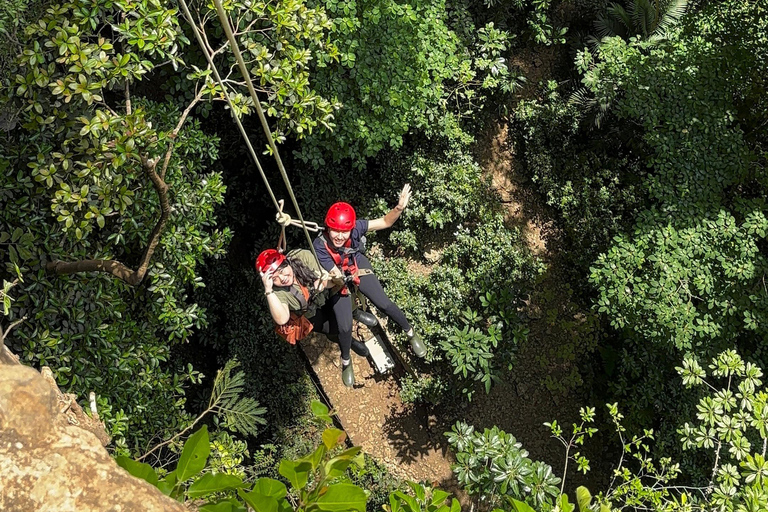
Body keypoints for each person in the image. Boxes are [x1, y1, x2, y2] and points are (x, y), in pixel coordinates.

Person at [313, 184, 426, 358]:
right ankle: (346, 360)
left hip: (356, 263)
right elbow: (336, 274)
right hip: (337, 274)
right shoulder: (320, 245)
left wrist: (399, 208)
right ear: (327, 227)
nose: (339, 236)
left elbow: (385, 222)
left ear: (351, 229)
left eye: (344, 232)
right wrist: (335, 279)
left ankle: (410, 332)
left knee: (384, 304)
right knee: (344, 326)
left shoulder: (357, 227)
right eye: (335, 230)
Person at [256, 247, 376, 387]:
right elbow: (282, 319)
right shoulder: (277, 292)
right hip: (311, 312)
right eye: (275, 278)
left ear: (287, 262)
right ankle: (349, 342)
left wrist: (322, 282)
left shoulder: (301, 257)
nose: (282, 279)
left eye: (282, 271)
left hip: (326, 294)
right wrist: (268, 290)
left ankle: (355, 313)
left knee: (344, 301)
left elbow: (326, 277)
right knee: (333, 330)